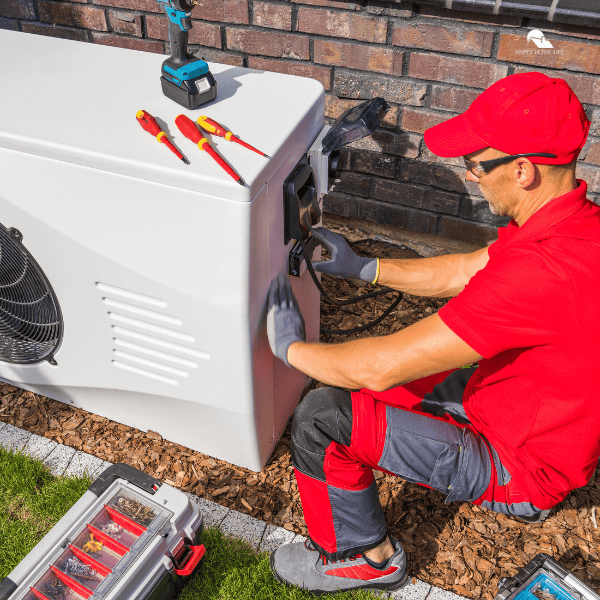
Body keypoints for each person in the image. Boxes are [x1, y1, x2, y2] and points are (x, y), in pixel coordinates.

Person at [265, 71, 600, 596]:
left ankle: (363, 558)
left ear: (523, 171)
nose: (470, 176)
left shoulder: (543, 273)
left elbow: (376, 365)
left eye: (475, 164)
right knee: (364, 389)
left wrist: (288, 348)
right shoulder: (572, 227)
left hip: (520, 465)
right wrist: (366, 268)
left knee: (320, 418)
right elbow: (465, 270)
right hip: (511, 409)